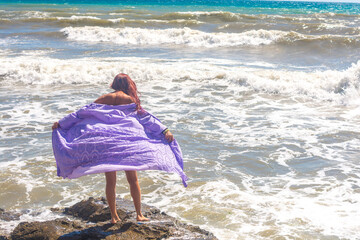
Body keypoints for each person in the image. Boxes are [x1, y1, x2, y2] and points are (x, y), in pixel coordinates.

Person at [52, 73, 187, 224]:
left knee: (110, 182)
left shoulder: (103, 98)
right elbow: (147, 118)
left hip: (106, 143)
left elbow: (81, 113)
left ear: (114, 84)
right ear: (128, 85)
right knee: (133, 180)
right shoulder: (130, 100)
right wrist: (165, 130)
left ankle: (114, 217)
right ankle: (139, 214)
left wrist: (61, 123)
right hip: (127, 143)